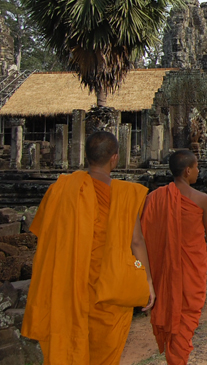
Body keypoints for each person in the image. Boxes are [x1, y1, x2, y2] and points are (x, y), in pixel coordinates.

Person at [22, 131, 155, 365]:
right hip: (110, 288)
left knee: (68, 345)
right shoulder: (125, 194)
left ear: (87, 157)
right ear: (115, 158)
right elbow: (136, 242)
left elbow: (48, 236)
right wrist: (147, 281)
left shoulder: (61, 189)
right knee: (104, 353)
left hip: (67, 287)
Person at [142, 150, 207, 365]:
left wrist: (142, 270)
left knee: (175, 319)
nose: (198, 171)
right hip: (190, 273)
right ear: (188, 170)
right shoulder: (202, 200)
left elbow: (144, 237)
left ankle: (176, 359)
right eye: (197, 167)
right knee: (185, 320)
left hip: (164, 271)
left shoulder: (153, 198)